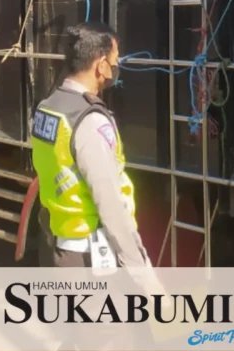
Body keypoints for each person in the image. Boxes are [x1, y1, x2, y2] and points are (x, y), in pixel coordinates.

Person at [30, 22, 151, 269]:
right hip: (88, 259)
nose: (116, 67)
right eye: (114, 60)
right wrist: (147, 280)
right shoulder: (89, 120)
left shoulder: (47, 107)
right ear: (100, 64)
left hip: (59, 248)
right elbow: (110, 206)